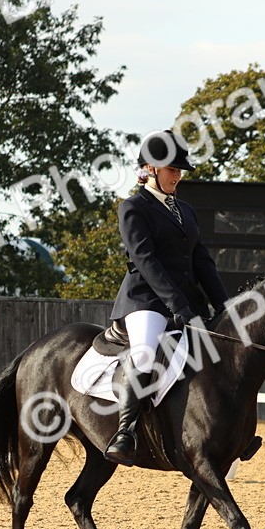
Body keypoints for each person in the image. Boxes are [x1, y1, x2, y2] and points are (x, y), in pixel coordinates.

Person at [103, 129, 229, 466]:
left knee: (220, 352)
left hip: (186, 303)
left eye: (179, 171)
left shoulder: (185, 210)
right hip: (146, 301)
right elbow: (146, 261)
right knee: (145, 353)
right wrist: (177, 304)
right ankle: (125, 432)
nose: (177, 176)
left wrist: (223, 305)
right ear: (151, 168)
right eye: (172, 169)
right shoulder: (133, 208)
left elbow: (202, 260)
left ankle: (231, 431)